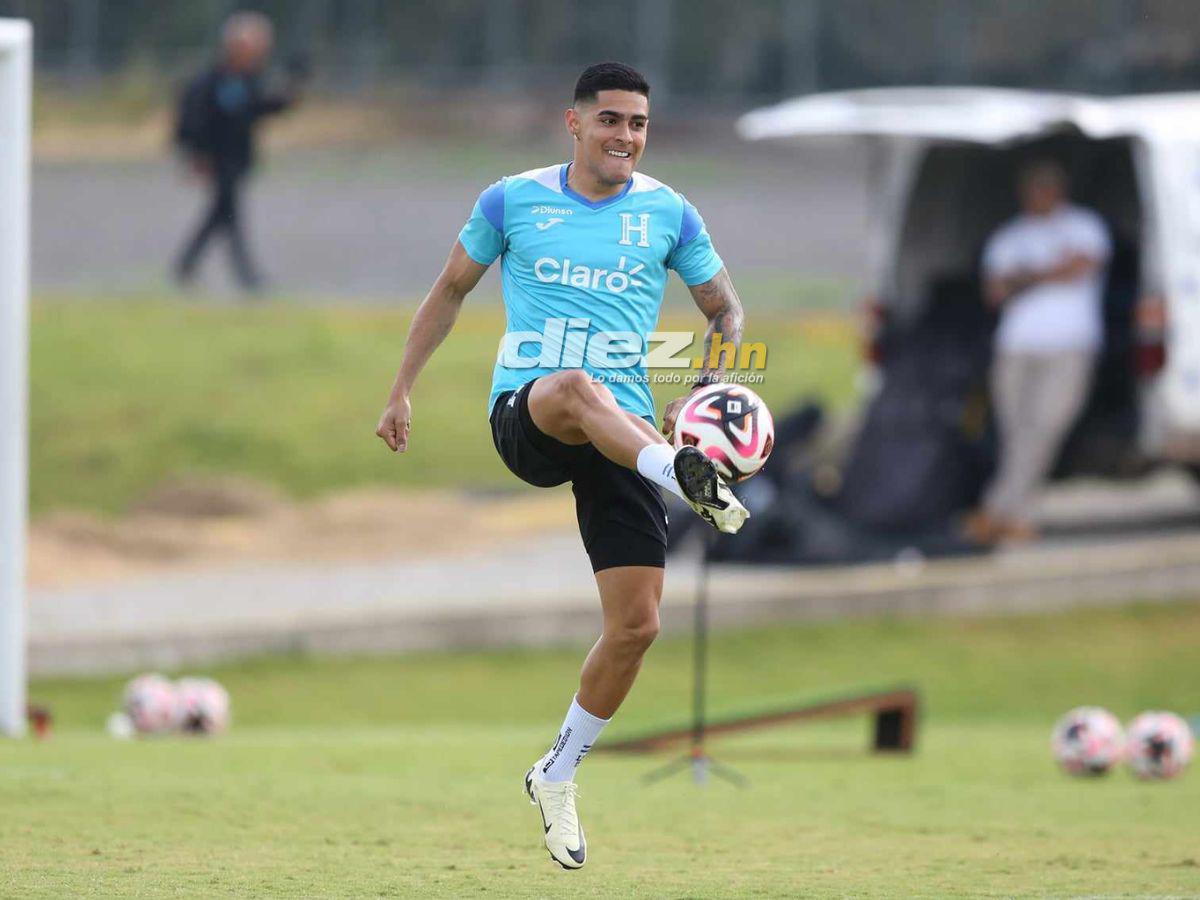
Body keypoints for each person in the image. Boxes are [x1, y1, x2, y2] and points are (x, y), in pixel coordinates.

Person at [375, 62, 750, 869]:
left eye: (639, 124)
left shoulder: (668, 212)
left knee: (638, 626)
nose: (626, 136)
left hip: (628, 431)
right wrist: (401, 390)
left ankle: (559, 770)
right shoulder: (511, 198)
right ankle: (678, 471)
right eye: (611, 120)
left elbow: (724, 308)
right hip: (533, 412)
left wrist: (714, 380)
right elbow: (448, 291)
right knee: (578, 384)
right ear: (573, 124)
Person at [966, 160, 1111, 544]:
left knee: (1043, 428)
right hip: (1016, 347)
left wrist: (1024, 277)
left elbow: (1081, 267)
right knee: (1017, 432)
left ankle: (995, 510)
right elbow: (995, 291)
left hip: (1069, 345)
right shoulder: (1009, 236)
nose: (1041, 193)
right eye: (1035, 187)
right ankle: (1018, 518)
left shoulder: (1083, 226)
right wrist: (1048, 272)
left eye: (1048, 186)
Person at [172, 11, 304, 291]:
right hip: (217, 160)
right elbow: (191, 121)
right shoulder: (210, 81)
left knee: (220, 216)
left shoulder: (247, 80)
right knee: (229, 217)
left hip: (237, 159)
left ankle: (186, 266)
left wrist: (292, 87)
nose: (258, 54)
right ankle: (247, 277)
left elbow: (262, 108)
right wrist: (197, 155)